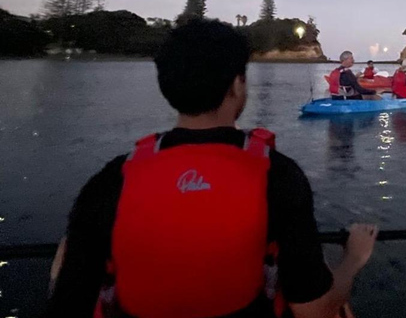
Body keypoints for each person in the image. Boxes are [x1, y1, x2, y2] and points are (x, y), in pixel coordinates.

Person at [44, 20, 378, 318]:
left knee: (68, 256)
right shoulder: (279, 175)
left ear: (167, 86)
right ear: (237, 85)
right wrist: (354, 259)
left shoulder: (109, 181)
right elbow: (315, 310)